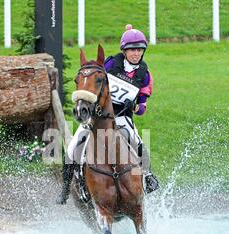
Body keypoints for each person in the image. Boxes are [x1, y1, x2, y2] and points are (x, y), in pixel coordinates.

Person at [56, 24, 160, 205]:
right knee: (73, 147)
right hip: (98, 113)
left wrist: (135, 107)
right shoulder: (112, 63)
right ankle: (65, 188)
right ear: (124, 51)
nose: (136, 53)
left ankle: (148, 176)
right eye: (132, 50)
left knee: (137, 142)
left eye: (139, 50)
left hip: (122, 117)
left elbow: (143, 106)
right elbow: (95, 79)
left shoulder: (145, 75)